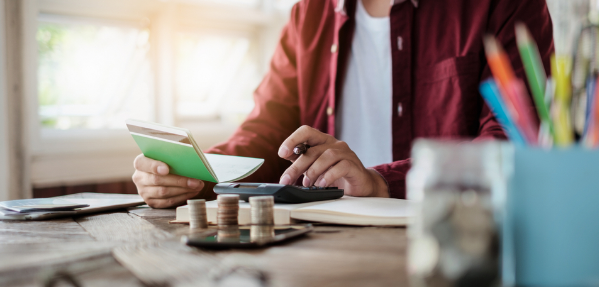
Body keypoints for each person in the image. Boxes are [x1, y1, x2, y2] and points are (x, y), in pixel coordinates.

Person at [133, 0, 554, 208]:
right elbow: (264, 130)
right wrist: (192, 174)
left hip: (457, 240)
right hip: (323, 241)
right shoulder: (308, 15)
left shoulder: (506, 4)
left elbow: (514, 141)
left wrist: (382, 182)